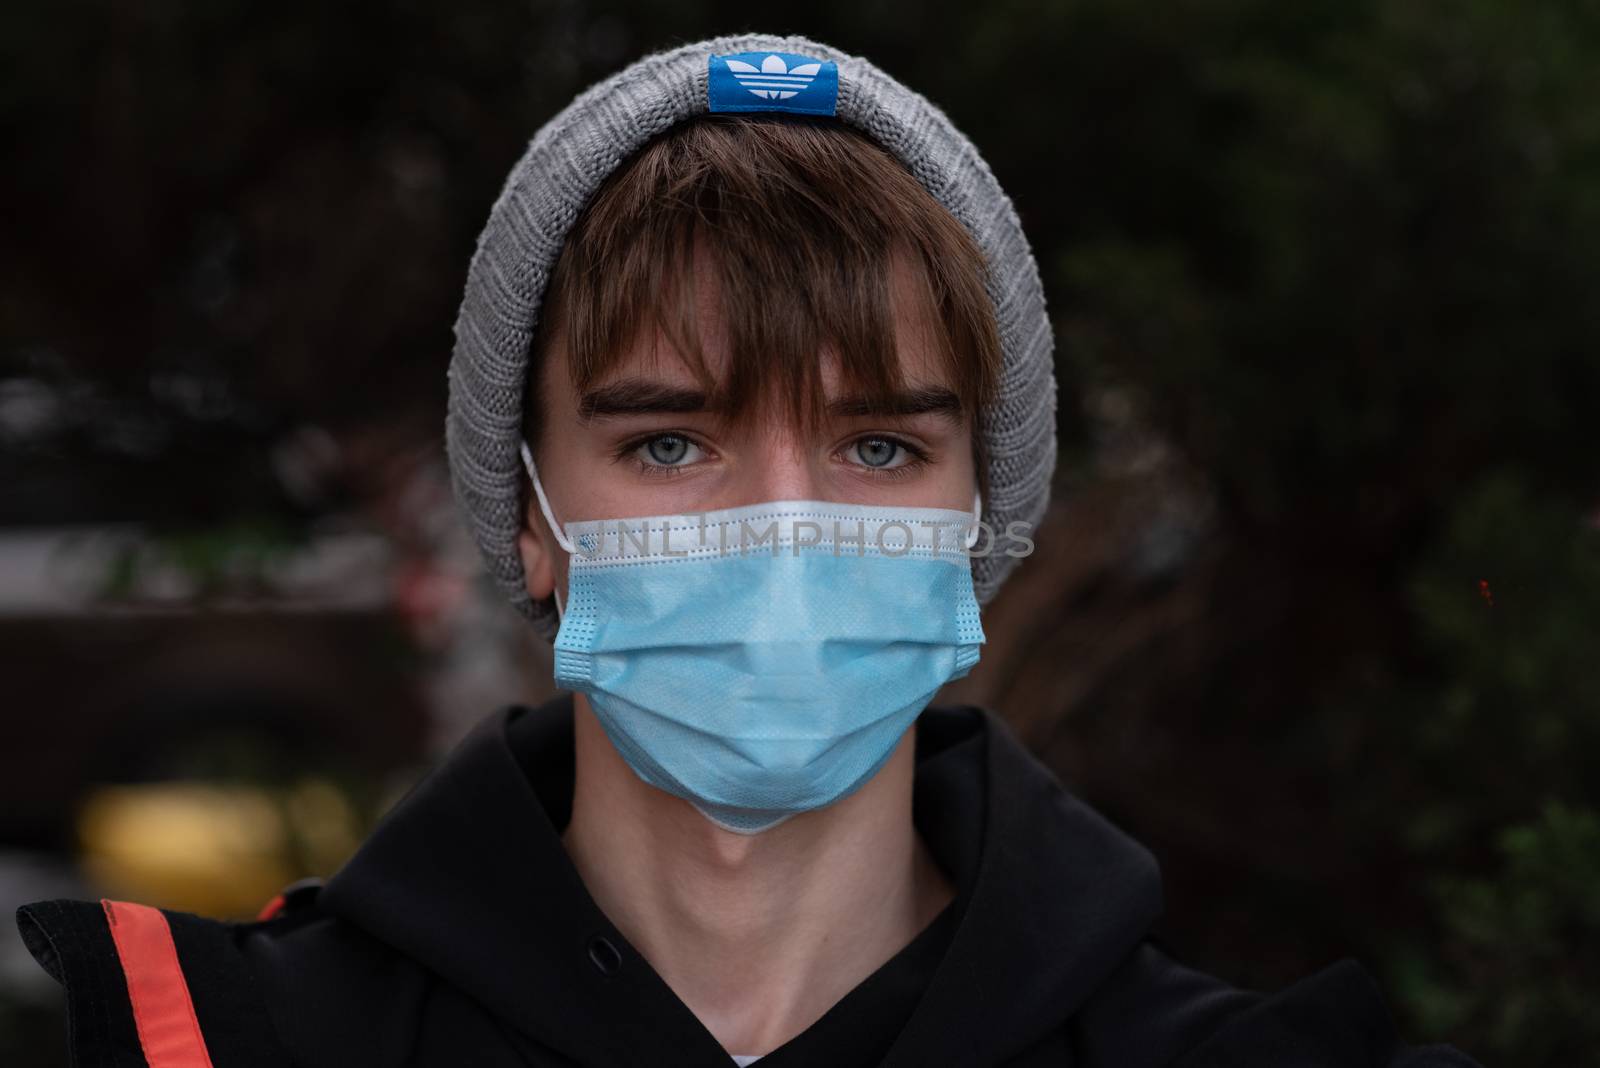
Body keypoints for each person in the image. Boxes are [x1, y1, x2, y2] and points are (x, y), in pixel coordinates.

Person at [15, 32, 1484, 1068]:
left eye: (881, 447)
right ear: (528, 520)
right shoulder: (223, 1042)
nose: (783, 529)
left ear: (984, 515)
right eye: (670, 442)